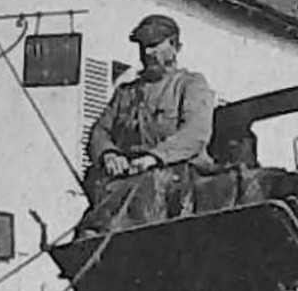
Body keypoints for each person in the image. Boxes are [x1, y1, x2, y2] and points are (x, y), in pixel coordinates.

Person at [86, 14, 216, 189]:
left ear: (175, 46)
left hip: (179, 179)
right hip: (129, 179)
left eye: (154, 46)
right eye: (143, 46)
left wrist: (155, 158)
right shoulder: (125, 93)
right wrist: (109, 154)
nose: (147, 53)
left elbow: (195, 134)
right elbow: (100, 131)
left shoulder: (190, 84)